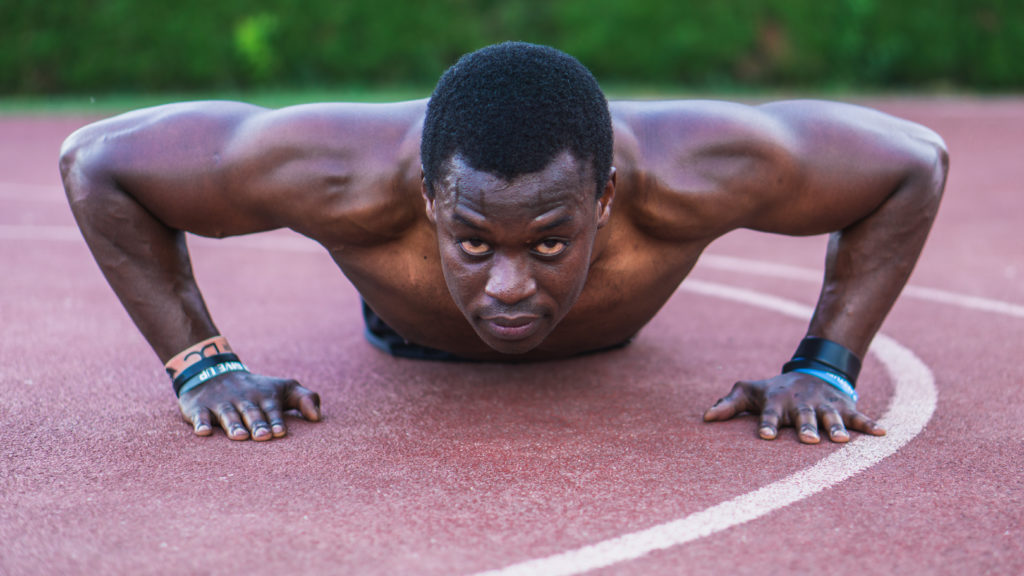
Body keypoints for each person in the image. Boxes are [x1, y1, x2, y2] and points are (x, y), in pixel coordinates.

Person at [59, 42, 948, 443]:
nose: (511, 287)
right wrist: (203, 365)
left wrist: (825, 365)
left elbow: (913, 162)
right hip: (405, 331)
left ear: (605, 200)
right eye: (475, 244)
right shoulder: (337, 173)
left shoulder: (695, 173)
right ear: (424, 200)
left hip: (608, 329)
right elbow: (96, 162)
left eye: (551, 244)